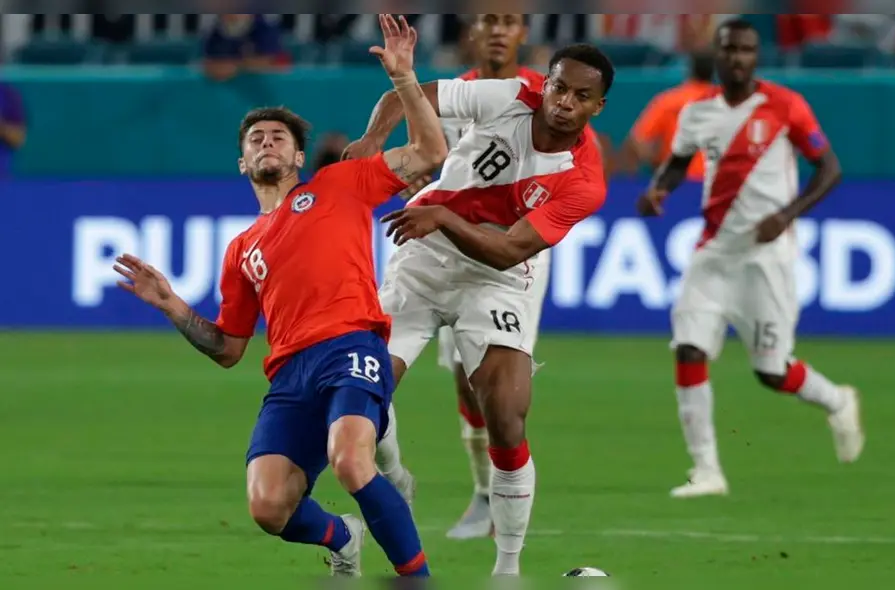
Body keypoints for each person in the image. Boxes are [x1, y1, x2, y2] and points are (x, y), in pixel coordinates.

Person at [113, 15, 446, 577]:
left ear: (297, 158)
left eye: (280, 138)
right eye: (256, 139)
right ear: (244, 163)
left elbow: (430, 150)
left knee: (350, 460)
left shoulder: (341, 184)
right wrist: (171, 304)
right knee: (268, 506)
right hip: (290, 375)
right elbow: (228, 348)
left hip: (350, 346)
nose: (268, 142)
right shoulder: (241, 248)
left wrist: (405, 79)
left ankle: (416, 580)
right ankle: (343, 536)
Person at [347, 43, 613, 576]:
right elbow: (413, 95)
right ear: (548, 82)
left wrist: (443, 217)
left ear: (597, 108)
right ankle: (396, 474)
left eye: (581, 96)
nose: (563, 102)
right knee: (358, 395)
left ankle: (507, 570)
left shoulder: (582, 181)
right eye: (559, 87)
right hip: (420, 259)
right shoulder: (515, 94)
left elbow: (510, 250)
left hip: (494, 277)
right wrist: (375, 140)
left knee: (507, 417)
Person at [637, 18, 864, 499]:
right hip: (714, 253)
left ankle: (837, 399)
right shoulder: (698, 113)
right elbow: (679, 160)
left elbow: (830, 168)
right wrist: (659, 189)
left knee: (772, 371)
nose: (737, 57)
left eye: (745, 50)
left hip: (767, 257)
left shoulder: (785, 106)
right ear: (717, 56)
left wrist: (787, 215)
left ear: (755, 56)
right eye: (729, 49)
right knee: (689, 349)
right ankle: (707, 471)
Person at [619, 50, 714, 180]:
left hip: (675, 183)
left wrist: (656, 163)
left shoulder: (669, 101)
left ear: (690, 70)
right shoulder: (725, 103)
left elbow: (637, 141)